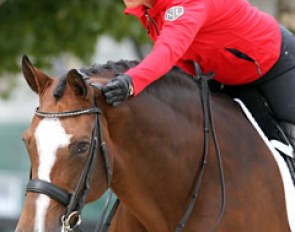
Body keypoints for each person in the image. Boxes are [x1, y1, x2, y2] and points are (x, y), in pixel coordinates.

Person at [101, 0, 295, 154]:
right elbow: (182, 60)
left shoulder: (187, 4)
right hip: (228, 78)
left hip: (276, 63)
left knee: (289, 139)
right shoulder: (150, 11)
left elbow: (167, 51)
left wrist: (131, 82)